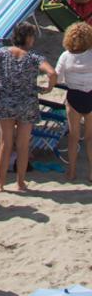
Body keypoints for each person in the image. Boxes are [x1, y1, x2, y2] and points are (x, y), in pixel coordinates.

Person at [0, 20, 57, 193]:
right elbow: (52, 73)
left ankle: (0, 184)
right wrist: (47, 88)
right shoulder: (35, 57)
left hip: (5, 102)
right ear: (28, 38)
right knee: (22, 145)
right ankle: (20, 183)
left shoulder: (2, 53)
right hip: (27, 103)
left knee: (5, 143)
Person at [56, 21, 92, 180]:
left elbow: (57, 78)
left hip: (74, 96)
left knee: (73, 137)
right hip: (90, 94)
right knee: (90, 137)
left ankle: (71, 172)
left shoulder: (65, 56)